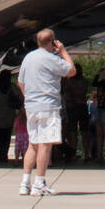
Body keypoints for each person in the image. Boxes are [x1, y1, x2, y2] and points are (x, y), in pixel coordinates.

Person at [17, 29, 75, 196]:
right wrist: (63, 51)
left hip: (31, 106)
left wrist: (28, 97)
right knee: (45, 145)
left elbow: (20, 82)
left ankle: (25, 182)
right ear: (52, 42)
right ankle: (39, 183)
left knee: (32, 144)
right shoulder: (52, 59)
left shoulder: (29, 58)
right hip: (48, 105)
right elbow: (71, 71)